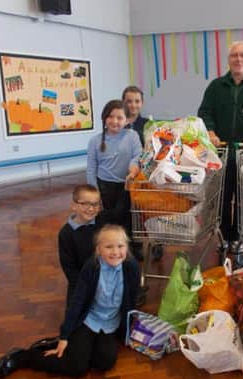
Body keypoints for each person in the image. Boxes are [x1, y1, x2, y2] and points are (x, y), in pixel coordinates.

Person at [0, 225, 141, 379]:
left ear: (127, 247)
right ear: (99, 250)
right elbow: (77, 302)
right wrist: (65, 335)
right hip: (88, 319)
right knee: (76, 367)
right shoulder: (91, 267)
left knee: (105, 362)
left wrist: (129, 330)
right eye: (109, 246)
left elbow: (131, 301)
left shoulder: (132, 268)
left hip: (111, 323)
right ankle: (22, 357)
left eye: (120, 246)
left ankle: (68, 345)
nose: (116, 252)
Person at [198, 40, 243, 252]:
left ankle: (239, 239)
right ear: (229, 59)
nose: (239, 59)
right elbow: (205, 112)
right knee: (221, 196)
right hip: (220, 153)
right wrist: (210, 131)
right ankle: (224, 237)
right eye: (234, 55)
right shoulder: (216, 87)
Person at [86, 99, 143, 260]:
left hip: (127, 185)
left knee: (126, 219)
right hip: (104, 188)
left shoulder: (132, 136)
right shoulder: (95, 141)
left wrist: (133, 168)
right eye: (111, 117)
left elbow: (137, 155)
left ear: (127, 120)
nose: (115, 121)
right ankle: (105, 251)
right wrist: (95, 194)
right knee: (106, 221)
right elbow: (91, 169)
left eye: (120, 118)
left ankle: (129, 252)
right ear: (105, 118)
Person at [122, 86, 164, 261]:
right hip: (125, 175)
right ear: (123, 102)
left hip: (145, 176)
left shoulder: (148, 125)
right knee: (131, 212)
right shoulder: (117, 122)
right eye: (129, 101)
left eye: (137, 101)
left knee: (150, 209)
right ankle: (135, 245)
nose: (133, 105)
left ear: (142, 103)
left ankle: (157, 241)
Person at [58, 184, 101, 314]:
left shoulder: (102, 225)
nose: (91, 209)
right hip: (80, 283)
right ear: (73, 205)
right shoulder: (66, 233)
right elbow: (69, 267)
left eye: (95, 204)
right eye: (85, 204)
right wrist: (84, 288)